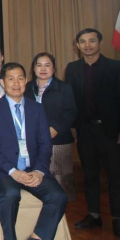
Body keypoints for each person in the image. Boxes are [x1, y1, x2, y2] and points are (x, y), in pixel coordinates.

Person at [0, 63, 68, 240]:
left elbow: (45, 144)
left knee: (58, 196)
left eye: (20, 78)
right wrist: (12, 171)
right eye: (11, 79)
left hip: (32, 168)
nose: (16, 83)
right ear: (2, 83)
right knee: (11, 193)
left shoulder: (37, 109)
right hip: (3, 170)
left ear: (26, 81)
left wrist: (39, 171)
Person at [65, 28, 120, 236]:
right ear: (77, 45)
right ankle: (94, 215)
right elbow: (70, 102)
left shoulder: (115, 66)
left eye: (92, 41)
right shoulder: (72, 68)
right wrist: (73, 127)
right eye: (83, 41)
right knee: (90, 174)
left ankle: (118, 218)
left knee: (115, 175)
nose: (87, 45)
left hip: (109, 130)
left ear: (100, 43)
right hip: (85, 130)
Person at [26, 53, 78, 201]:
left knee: (61, 181)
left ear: (53, 69)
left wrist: (55, 128)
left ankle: (64, 212)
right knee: (37, 178)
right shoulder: (27, 88)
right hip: (33, 141)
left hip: (58, 139)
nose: (43, 69)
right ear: (34, 68)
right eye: (39, 65)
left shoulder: (64, 88)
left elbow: (71, 111)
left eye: (47, 65)